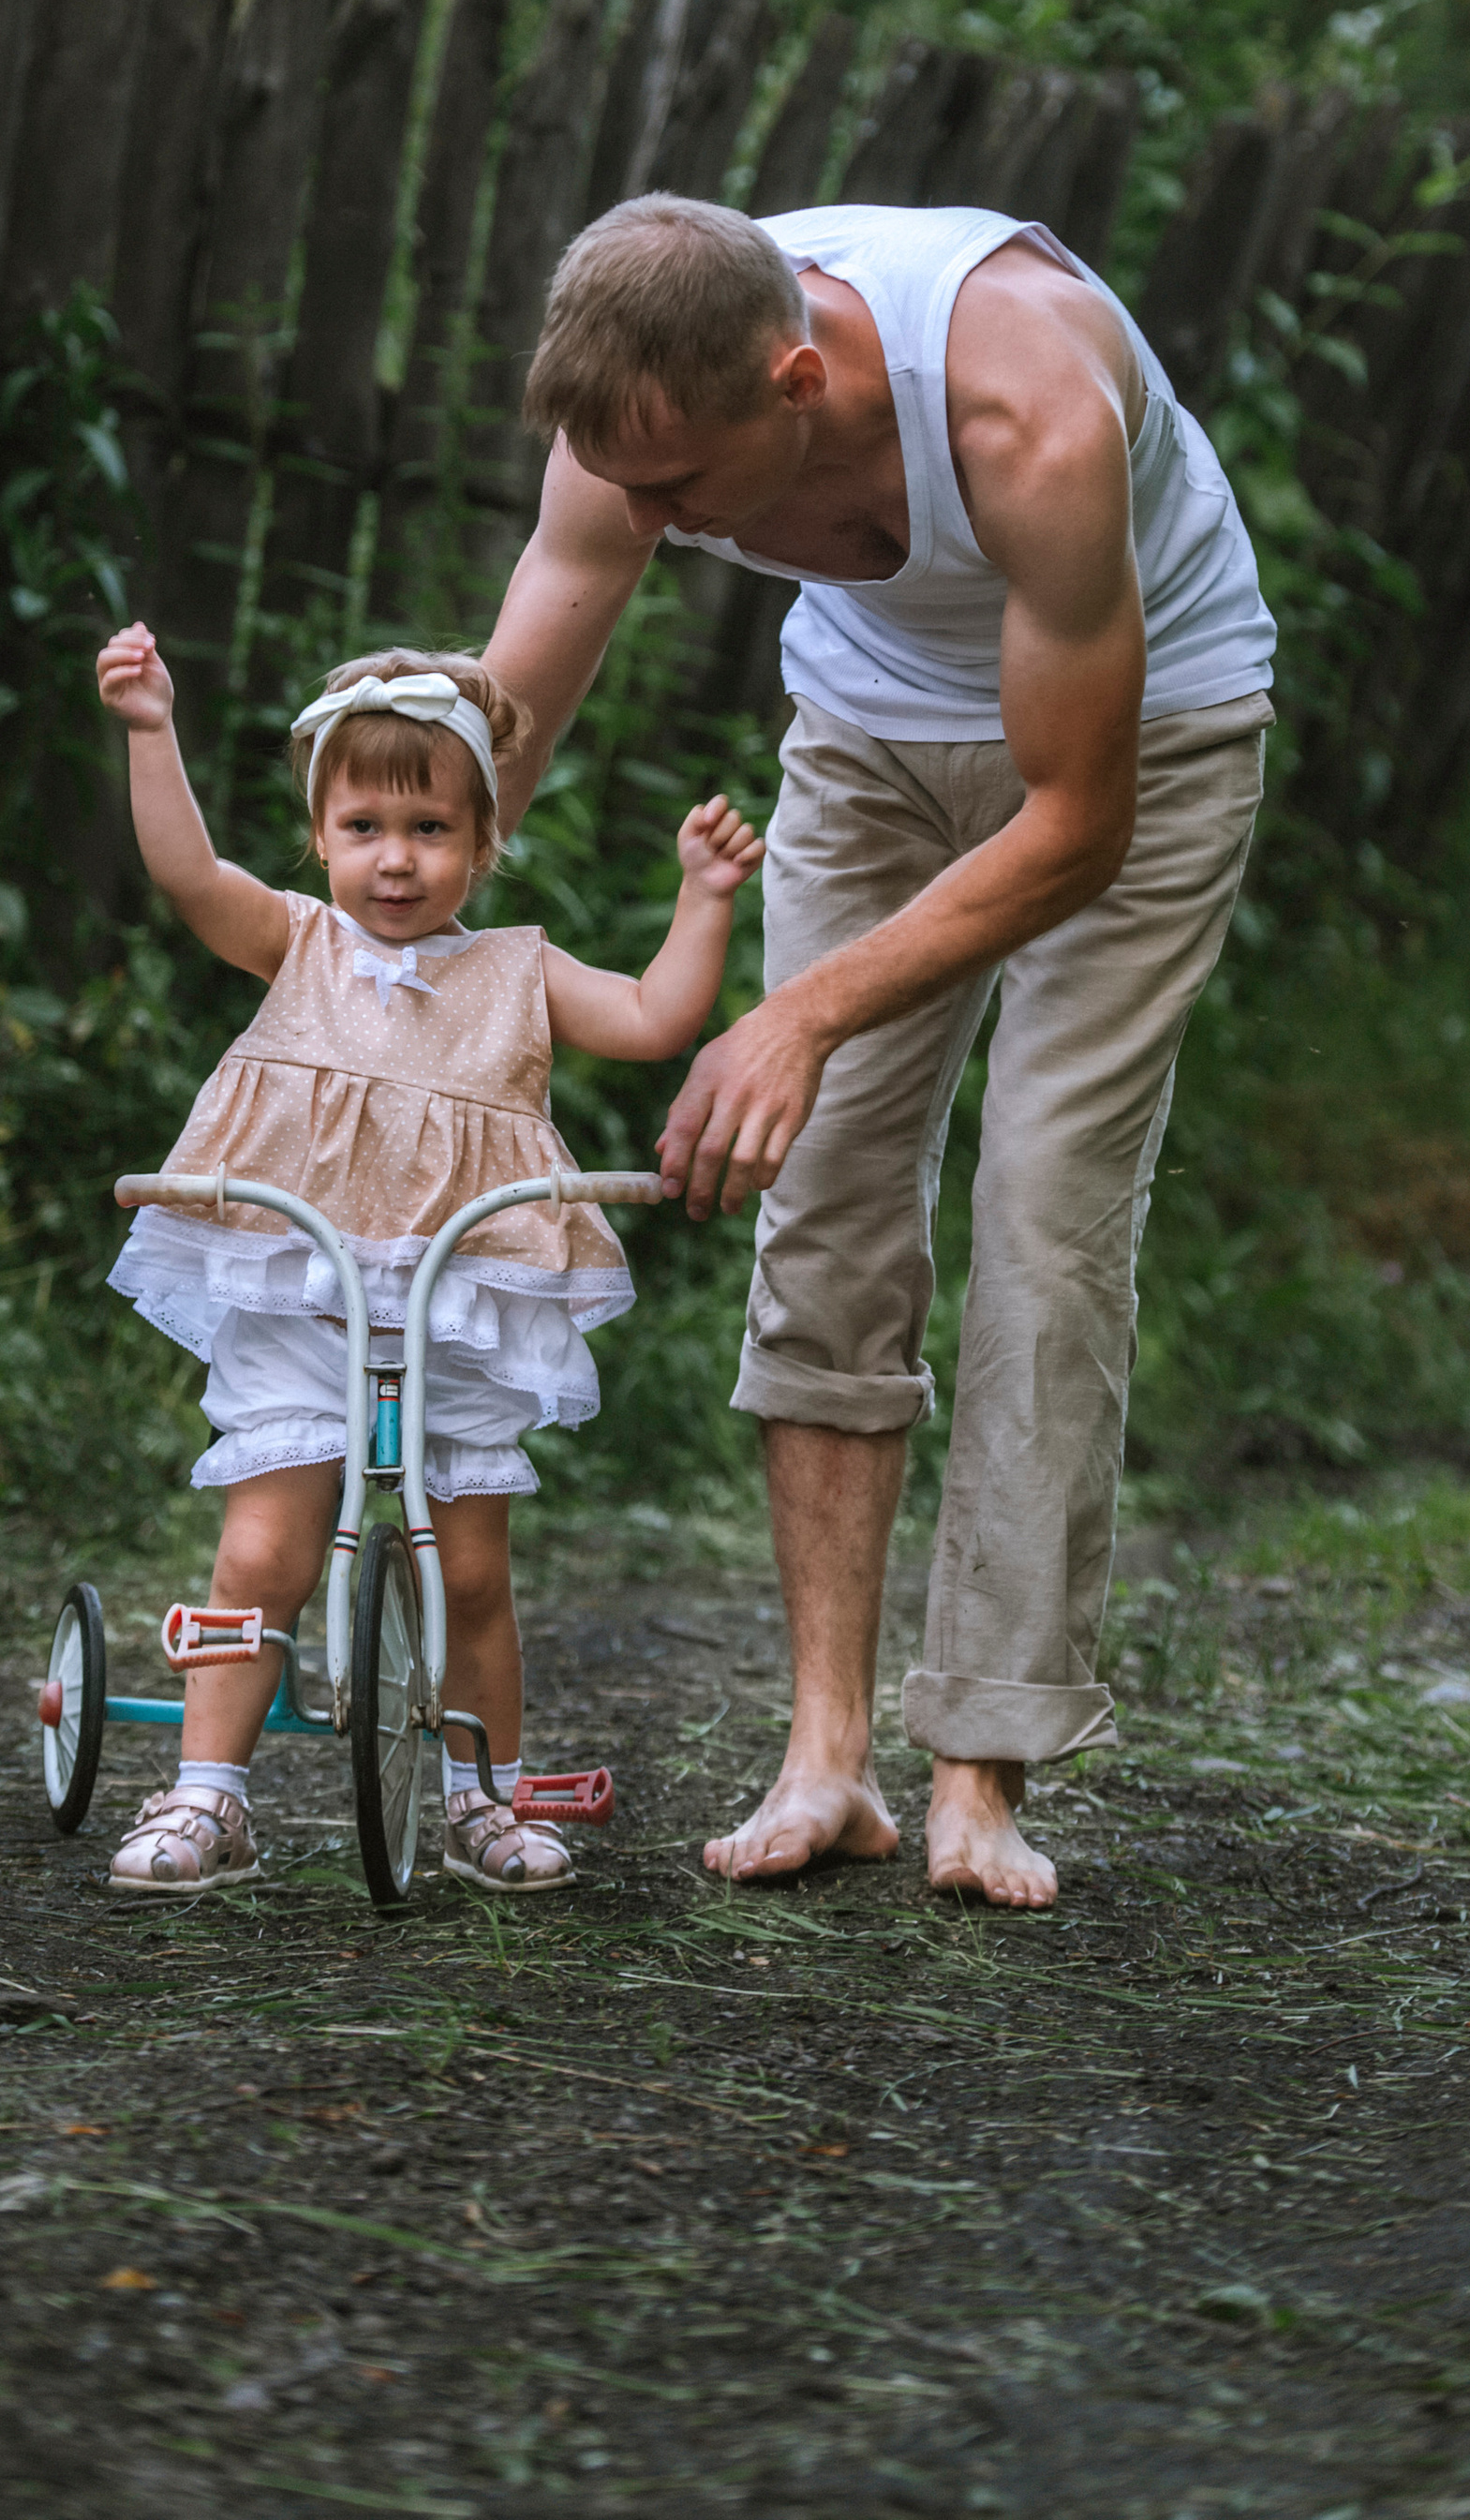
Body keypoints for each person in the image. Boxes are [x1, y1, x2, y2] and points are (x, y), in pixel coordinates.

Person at [482, 194, 1276, 1906]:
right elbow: (543, 633)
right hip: (868, 732)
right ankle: (825, 1757)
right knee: (826, 1196)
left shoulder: (1025, 405)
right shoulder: (632, 411)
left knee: (1046, 1214)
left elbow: (1073, 822)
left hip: (1146, 735)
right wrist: (395, 952)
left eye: (683, 492)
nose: (654, 523)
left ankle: (980, 1767)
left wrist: (803, 1011)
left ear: (798, 381)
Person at [93, 626, 764, 1897]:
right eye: (361, 828)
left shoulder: (519, 971)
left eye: (430, 830)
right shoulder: (295, 944)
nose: (394, 860)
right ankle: (208, 1795)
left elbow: (656, 1018)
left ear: (482, 840)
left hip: (460, 1311)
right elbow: (187, 873)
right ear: (323, 836)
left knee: (471, 1570)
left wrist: (705, 899)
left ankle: (477, 1797)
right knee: (263, 1549)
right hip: (304, 1293)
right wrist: (148, 728)